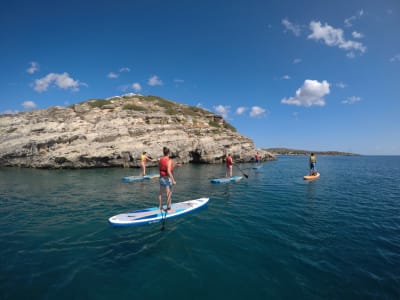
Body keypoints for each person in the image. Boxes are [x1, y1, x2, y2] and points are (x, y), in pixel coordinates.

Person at [158, 147, 176, 211]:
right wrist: (173, 180)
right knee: (168, 194)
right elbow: (168, 171)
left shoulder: (160, 159)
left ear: (163, 152)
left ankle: (160, 207)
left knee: (160, 193)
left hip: (161, 178)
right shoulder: (169, 160)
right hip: (166, 179)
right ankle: (168, 208)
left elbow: (162, 168)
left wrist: (174, 165)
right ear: (169, 153)